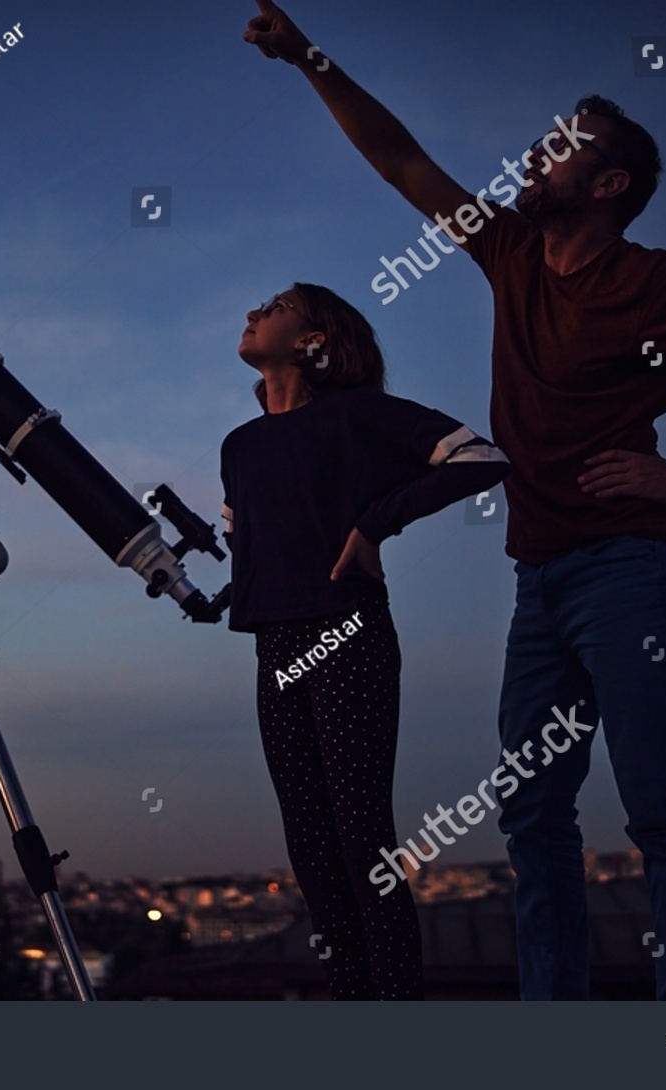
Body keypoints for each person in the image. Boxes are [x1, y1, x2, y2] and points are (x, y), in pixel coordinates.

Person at [242, 2, 666, 1000]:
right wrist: (307, 56)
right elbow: (402, 162)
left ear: (608, 185)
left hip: (630, 568)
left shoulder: (658, 285)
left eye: (569, 145)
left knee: (663, 812)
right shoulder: (512, 252)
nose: (542, 149)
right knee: (532, 813)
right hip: (539, 577)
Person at [221, 282, 509, 999]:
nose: (254, 311)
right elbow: (246, 537)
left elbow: (480, 457)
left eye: (276, 305)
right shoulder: (240, 445)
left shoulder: (360, 415)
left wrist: (377, 521)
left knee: (359, 836)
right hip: (274, 646)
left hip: (348, 635)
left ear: (314, 340)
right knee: (309, 846)